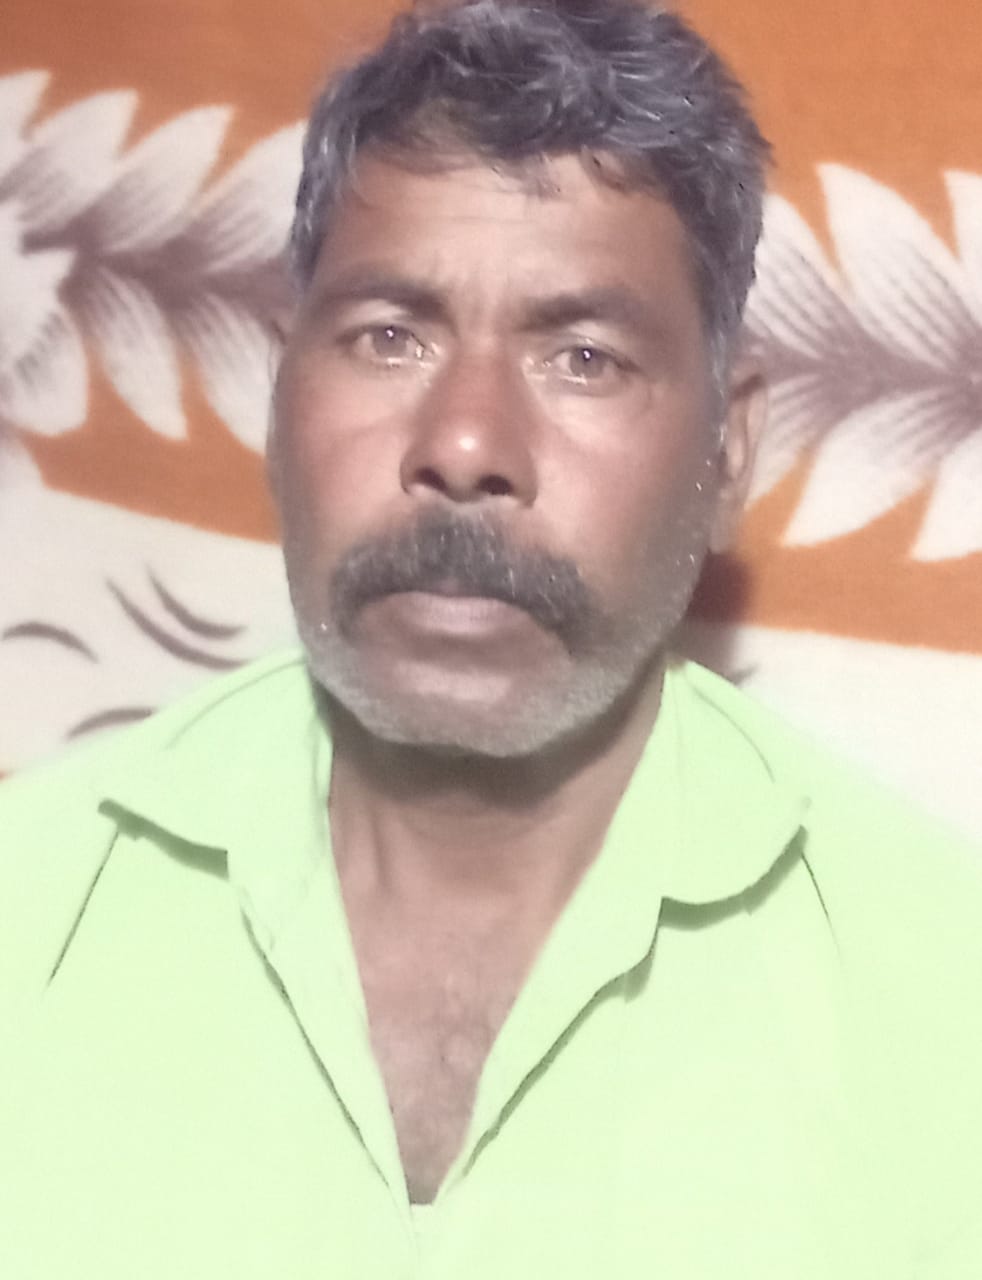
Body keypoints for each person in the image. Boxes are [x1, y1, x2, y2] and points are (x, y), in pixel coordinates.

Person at [2, 0, 981, 1275]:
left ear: (727, 451)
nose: (465, 443)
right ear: (281, 397)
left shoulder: (942, 988)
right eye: (389, 337)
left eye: (583, 356)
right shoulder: (29, 903)